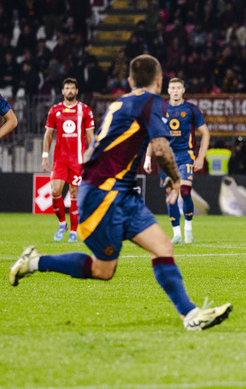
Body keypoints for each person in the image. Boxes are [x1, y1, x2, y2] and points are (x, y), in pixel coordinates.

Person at [10, 55, 232, 331]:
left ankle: (190, 315)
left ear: (129, 81)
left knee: (161, 247)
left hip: (121, 192)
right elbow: (161, 148)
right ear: (160, 81)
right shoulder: (150, 102)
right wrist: (175, 179)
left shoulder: (120, 102)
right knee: (104, 269)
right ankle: (35, 262)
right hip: (103, 193)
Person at [144, 77, 210, 244]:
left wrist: (201, 157)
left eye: (178, 88)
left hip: (186, 155)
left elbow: (205, 133)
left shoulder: (191, 109)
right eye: (172, 88)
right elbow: (154, 135)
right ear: (168, 90)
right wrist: (147, 158)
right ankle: (177, 234)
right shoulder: (160, 108)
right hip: (166, 157)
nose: (175, 91)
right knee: (171, 193)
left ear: (183, 90)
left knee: (185, 191)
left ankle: (188, 228)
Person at [42, 78, 95, 242]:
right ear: (62, 92)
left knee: (74, 193)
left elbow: (90, 136)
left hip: (78, 160)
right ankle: (62, 223)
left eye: (72, 88)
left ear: (77, 91)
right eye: (67, 88)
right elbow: (48, 134)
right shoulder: (55, 110)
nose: (70, 91)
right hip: (60, 159)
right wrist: (45, 156)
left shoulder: (85, 110)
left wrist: (91, 157)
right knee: (55, 191)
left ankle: (73, 231)